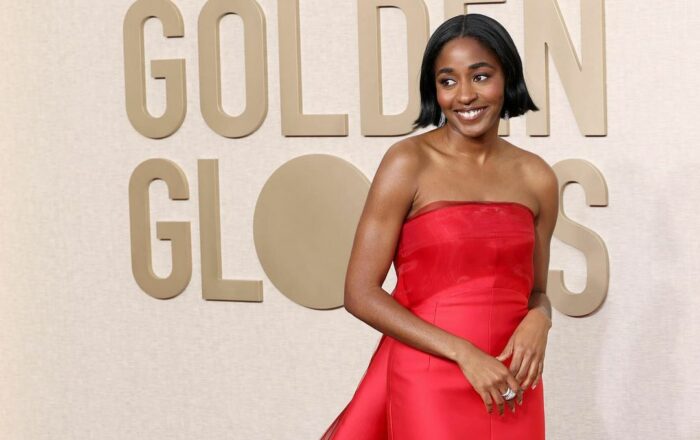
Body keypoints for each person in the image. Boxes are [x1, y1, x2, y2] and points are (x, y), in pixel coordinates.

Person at [321, 13, 557, 440]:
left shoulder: (536, 177)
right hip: (429, 374)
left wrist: (541, 319)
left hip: (512, 379)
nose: (465, 95)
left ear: (507, 77)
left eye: (481, 76)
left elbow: (536, 291)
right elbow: (359, 293)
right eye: (448, 81)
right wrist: (463, 353)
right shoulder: (408, 163)